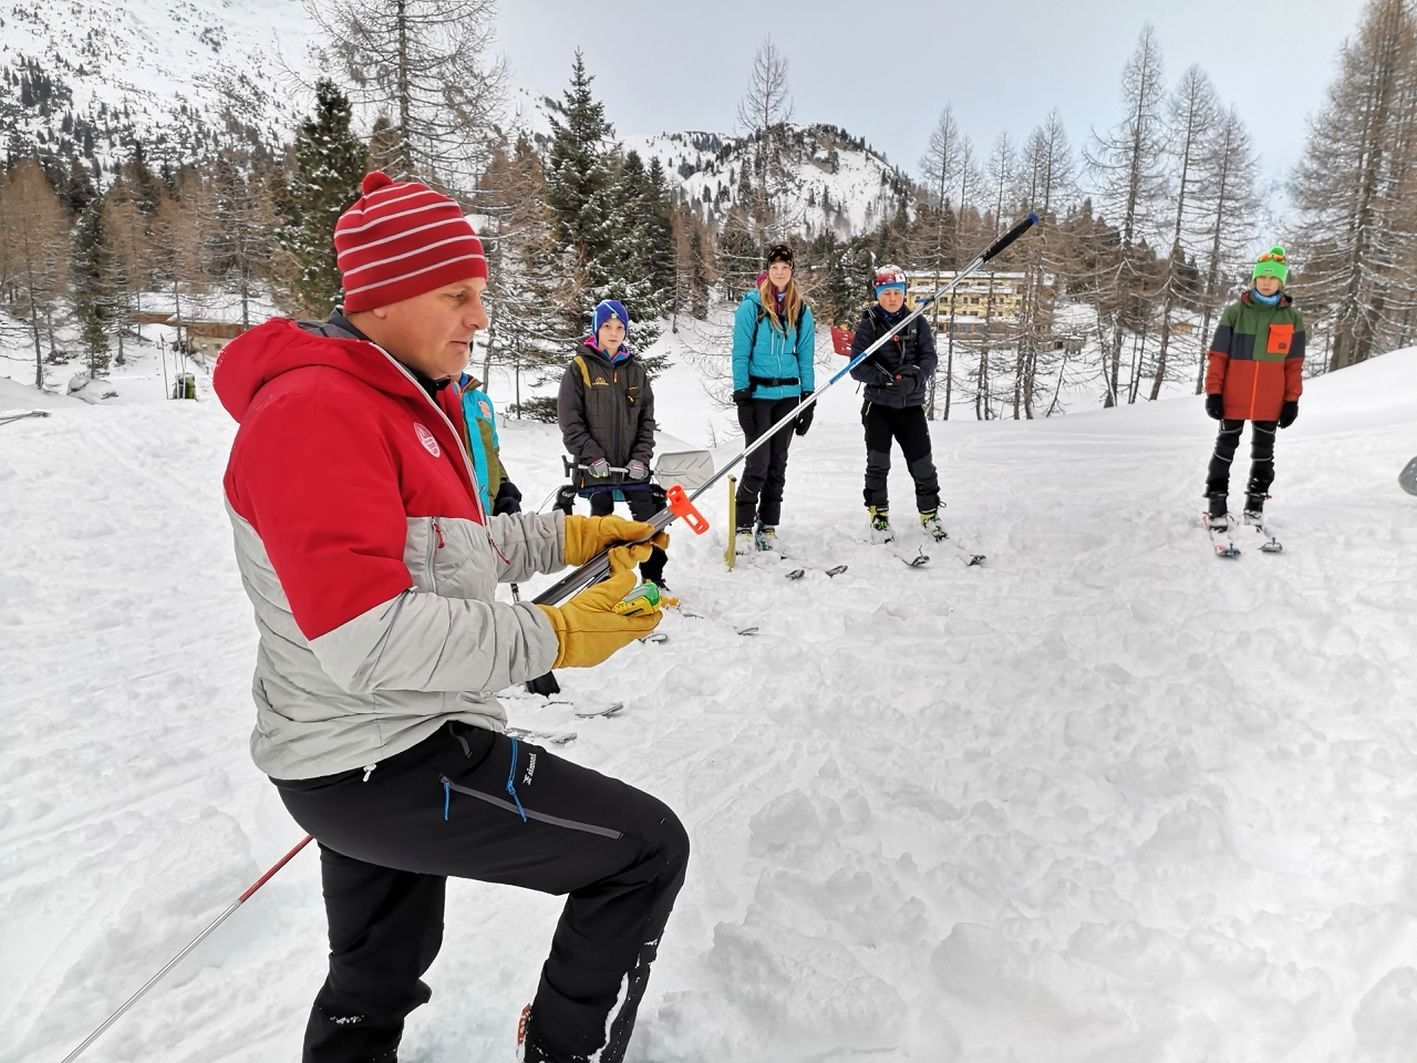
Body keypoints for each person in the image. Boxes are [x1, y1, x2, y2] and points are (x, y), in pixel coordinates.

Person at [212, 171, 688, 1063]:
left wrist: (576, 534)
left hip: (366, 749)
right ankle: (565, 1047)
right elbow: (370, 637)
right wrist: (559, 634)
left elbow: (457, 551)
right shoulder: (315, 411)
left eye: (482, 296)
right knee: (644, 850)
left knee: (379, 970)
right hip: (383, 753)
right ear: (384, 296)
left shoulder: (395, 397)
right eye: (457, 295)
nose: (478, 318)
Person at [555, 298, 669, 588]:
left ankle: (653, 578)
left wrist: (641, 459)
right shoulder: (579, 368)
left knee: (648, 521)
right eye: (607, 325)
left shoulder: (636, 372)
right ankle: (604, 580)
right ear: (596, 328)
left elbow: (647, 421)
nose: (613, 332)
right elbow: (570, 421)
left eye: (619, 327)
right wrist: (591, 456)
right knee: (602, 524)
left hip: (632, 468)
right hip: (596, 468)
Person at [1203, 245, 1306, 528]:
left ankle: (1255, 505)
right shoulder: (1235, 313)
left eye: (1272, 278)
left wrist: (1291, 399)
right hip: (1233, 397)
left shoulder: (1292, 318)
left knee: (1264, 453)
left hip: (1270, 401)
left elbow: (1294, 364)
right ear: (1254, 278)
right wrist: (1214, 392)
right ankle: (1217, 503)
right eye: (1261, 277)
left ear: (1281, 282)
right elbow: (1218, 356)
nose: (1266, 282)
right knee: (1225, 449)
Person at [847, 265, 944, 544]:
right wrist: (883, 379)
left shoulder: (917, 322)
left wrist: (914, 379)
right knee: (878, 463)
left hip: (910, 405)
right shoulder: (869, 324)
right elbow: (856, 367)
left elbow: (929, 358)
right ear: (878, 294)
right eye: (886, 293)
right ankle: (879, 515)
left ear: (905, 294)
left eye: (897, 293)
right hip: (877, 406)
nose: (892, 298)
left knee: (922, 462)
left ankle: (930, 513)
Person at [730, 243, 816, 552]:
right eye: (775, 267)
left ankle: (768, 525)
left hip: (789, 396)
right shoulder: (751, 307)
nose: (780, 272)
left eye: (785, 267)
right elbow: (740, 354)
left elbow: (805, 357)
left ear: (792, 271)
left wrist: (809, 398)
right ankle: (742, 524)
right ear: (768, 271)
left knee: (778, 462)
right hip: (758, 395)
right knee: (758, 463)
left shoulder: (801, 310)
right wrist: (742, 396)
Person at [456, 369, 522, 516]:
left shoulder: (481, 400)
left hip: (487, 511)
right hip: (452, 518)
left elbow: (492, 452)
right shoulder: (427, 394)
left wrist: (504, 485)